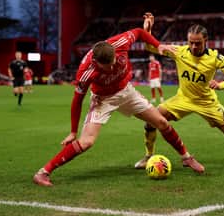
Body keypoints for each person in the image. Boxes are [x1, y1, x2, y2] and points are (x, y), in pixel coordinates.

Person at [33, 28, 205, 187]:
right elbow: (77, 101)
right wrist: (72, 131)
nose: (112, 67)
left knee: (162, 122)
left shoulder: (120, 43)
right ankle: (43, 172)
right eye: (107, 66)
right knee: (86, 141)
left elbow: (139, 32)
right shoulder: (86, 72)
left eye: (113, 62)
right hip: (103, 99)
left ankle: (186, 157)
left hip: (126, 91)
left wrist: (158, 45)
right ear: (96, 62)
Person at [134, 13, 224, 170]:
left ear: (206, 41)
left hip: (207, 102)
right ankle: (148, 156)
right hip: (183, 99)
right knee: (150, 122)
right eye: (191, 43)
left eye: (198, 43)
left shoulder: (215, 57)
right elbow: (151, 47)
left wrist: (221, 85)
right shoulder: (179, 51)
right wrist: (147, 31)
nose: (194, 46)